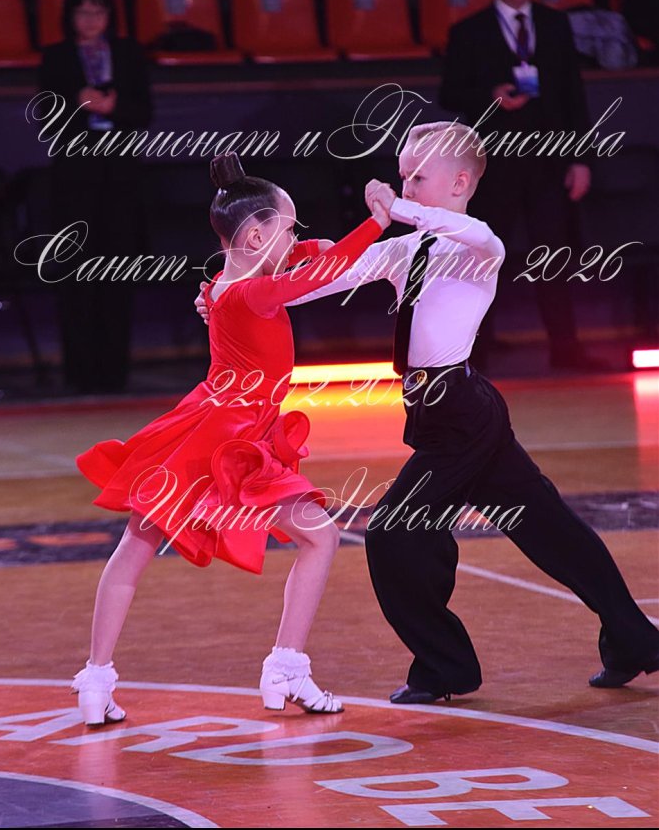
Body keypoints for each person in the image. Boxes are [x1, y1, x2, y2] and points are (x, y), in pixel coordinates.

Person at [195, 121, 659, 702]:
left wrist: (395, 209)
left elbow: (464, 229)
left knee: (393, 534)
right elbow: (309, 283)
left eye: (417, 176)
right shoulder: (405, 249)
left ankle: (446, 668)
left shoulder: (480, 246)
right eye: (403, 176)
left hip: (461, 414)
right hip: (445, 413)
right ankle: (636, 641)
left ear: (460, 182)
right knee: (547, 526)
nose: (406, 186)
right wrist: (227, 294)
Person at [69, 152, 391, 725]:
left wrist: (325, 242)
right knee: (320, 537)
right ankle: (285, 666)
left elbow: (308, 257)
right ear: (257, 235)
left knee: (137, 543)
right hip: (235, 440)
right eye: (288, 229)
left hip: (203, 428)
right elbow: (320, 273)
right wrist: (378, 221)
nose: (295, 238)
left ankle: (96, 678)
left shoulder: (226, 283)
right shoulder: (251, 293)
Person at [439, 0, 605, 372]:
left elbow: (572, 94)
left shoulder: (554, 24)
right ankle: (473, 355)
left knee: (553, 256)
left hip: (548, 160)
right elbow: (449, 93)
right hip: (495, 164)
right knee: (483, 258)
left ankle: (565, 349)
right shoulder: (470, 30)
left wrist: (581, 159)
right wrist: (489, 95)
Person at [38, 0, 152, 394]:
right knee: (76, 274)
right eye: (82, 12)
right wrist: (77, 104)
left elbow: (144, 111)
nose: (90, 19)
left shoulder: (128, 53)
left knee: (117, 272)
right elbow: (47, 119)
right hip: (74, 178)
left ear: (109, 15)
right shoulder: (55, 57)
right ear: (69, 16)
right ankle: (79, 373)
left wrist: (113, 107)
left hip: (120, 177)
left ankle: (114, 372)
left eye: (98, 11)